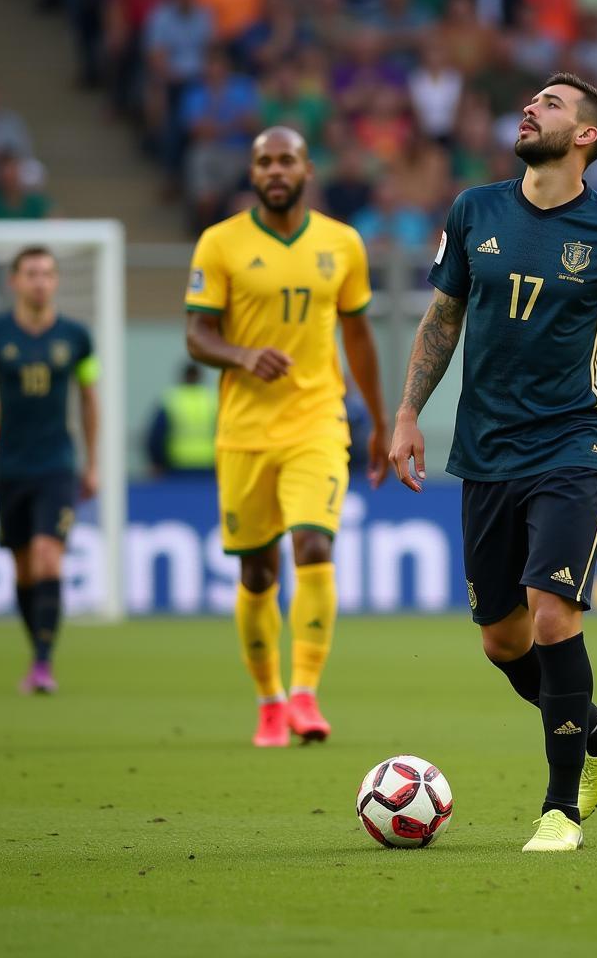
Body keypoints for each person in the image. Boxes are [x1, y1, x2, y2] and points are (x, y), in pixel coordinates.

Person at [389, 73, 597, 852]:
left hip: (575, 444)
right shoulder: (473, 209)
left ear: (586, 136)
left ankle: (560, 810)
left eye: (550, 104)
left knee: (554, 613)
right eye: (532, 101)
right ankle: (591, 728)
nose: (529, 108)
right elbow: (443, 316)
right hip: (484, 450)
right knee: (503, 641)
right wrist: (410, 411)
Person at [185, 125, 389, 747]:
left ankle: (304, 693)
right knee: (257, 573)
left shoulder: (342, 243)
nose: (276, 170)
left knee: (315, 547)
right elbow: (198, 334)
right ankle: (268, 699)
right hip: (244, 432)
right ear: (253, 173)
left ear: (307, 170)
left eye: (287, 160)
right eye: (265, 161)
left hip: (317, 422)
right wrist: (242, 356)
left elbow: (356, 336)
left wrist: (382, 420)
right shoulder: (220, 244)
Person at [0, 246, 99, 693]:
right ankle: (36, 650)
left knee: (47, 554)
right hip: (9, 467)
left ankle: (43, 662)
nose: (40, 281)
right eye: (31, 273)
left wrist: (92, 462)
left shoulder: (77, 337)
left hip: (57, 464)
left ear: (56, 281)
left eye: (47, 273)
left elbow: (88, 396)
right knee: (23, 567)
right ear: (15, 282)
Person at [145, 362, 217, 475]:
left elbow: (157, 435)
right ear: (200, 377)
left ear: (183, 377)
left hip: (178, 462)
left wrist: (156, 461)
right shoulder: (212, 399)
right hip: (209, 462)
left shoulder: (171, 399)